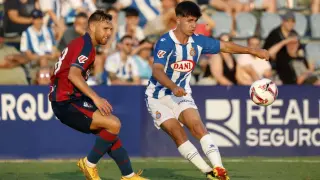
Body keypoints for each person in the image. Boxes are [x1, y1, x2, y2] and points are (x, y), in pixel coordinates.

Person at [145, 1, 269, 180]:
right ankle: (207, 171)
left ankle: (219, 169)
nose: (193, 25)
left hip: (181, 94)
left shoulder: (198, 41)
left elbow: (225, 46)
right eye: (189, 20)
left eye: (195, 21)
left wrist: (253, 51)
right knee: (177, 133)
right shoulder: (165, 42)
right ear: (178, 19)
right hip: (158, 96)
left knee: (197, 127)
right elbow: (156, 70)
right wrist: (172, 86)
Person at [49, 10, 148, 180]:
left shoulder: (83, 44)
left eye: (110, 29)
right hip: (65, 101)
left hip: (70, 98)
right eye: (105, 28)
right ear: (93, 26)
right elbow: (73, 74)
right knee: (114, 124)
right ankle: (88, 164)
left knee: (109, 132)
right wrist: (95, 97)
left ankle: (129, 175)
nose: (109, 33)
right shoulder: (86, 46)